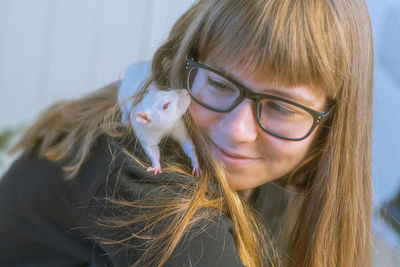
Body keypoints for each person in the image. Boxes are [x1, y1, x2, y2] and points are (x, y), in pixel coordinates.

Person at [0, 0, 374, 266]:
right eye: (221, 84)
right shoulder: (146, 187)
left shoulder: (269, 182)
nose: (237, 131)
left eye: (280, 107)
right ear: (186, 65)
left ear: (330, 127)